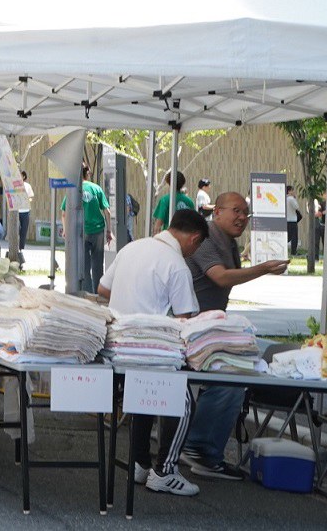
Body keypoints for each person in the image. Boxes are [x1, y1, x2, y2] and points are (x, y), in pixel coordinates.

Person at [99, 208, 209, 496]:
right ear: (194, 239)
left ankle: (139, 463)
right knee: (183, 402)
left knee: (143, 398)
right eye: (197, 247)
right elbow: (186, 318)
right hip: (152, 349)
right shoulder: (176, 264)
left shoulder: (131, 248)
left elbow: (103, 288)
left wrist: (132, 304)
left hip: (117, 346)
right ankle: (165, 471)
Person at [180, 191, 288, 480]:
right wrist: (263, 268)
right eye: (236, 211)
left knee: (238, 370)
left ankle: (197, 444)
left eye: (245, 213)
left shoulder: (228, 241)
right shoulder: (204, 238)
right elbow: (221, 276)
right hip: (190, 329)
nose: (242, 217)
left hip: (210, 329)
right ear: (217, 212)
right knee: (232, 376)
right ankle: (199, 448)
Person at [63, 164, 111, 294]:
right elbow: (107, 211)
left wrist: (66, 230)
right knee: (98, 264)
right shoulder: (96, 188)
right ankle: (98, 293)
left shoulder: (74, 189)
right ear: (87, 173)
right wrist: (109, 231)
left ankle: (87, 293)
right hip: (98, 230)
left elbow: (64, 212)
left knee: (84, 265)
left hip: (81, 231)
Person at [11, 175, 35, 265]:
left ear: (24, 177)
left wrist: (28, 200)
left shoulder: (27, 186)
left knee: (24, 230)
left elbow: (31, 196)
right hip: (16, 211)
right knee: (16, 229)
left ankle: (21, 248)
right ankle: (15, 247)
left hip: (25, 210)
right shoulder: (14, 185)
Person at [283, 184, 301, 254]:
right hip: (292, 220)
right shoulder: (291, 199)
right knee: (294, 237)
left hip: (286, 220)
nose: (293, 191)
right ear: (289, 191)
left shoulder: (284, 199)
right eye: (292, 190)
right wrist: (295, 198)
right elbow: (296, 207)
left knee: (288, 236)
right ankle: (294, 251)